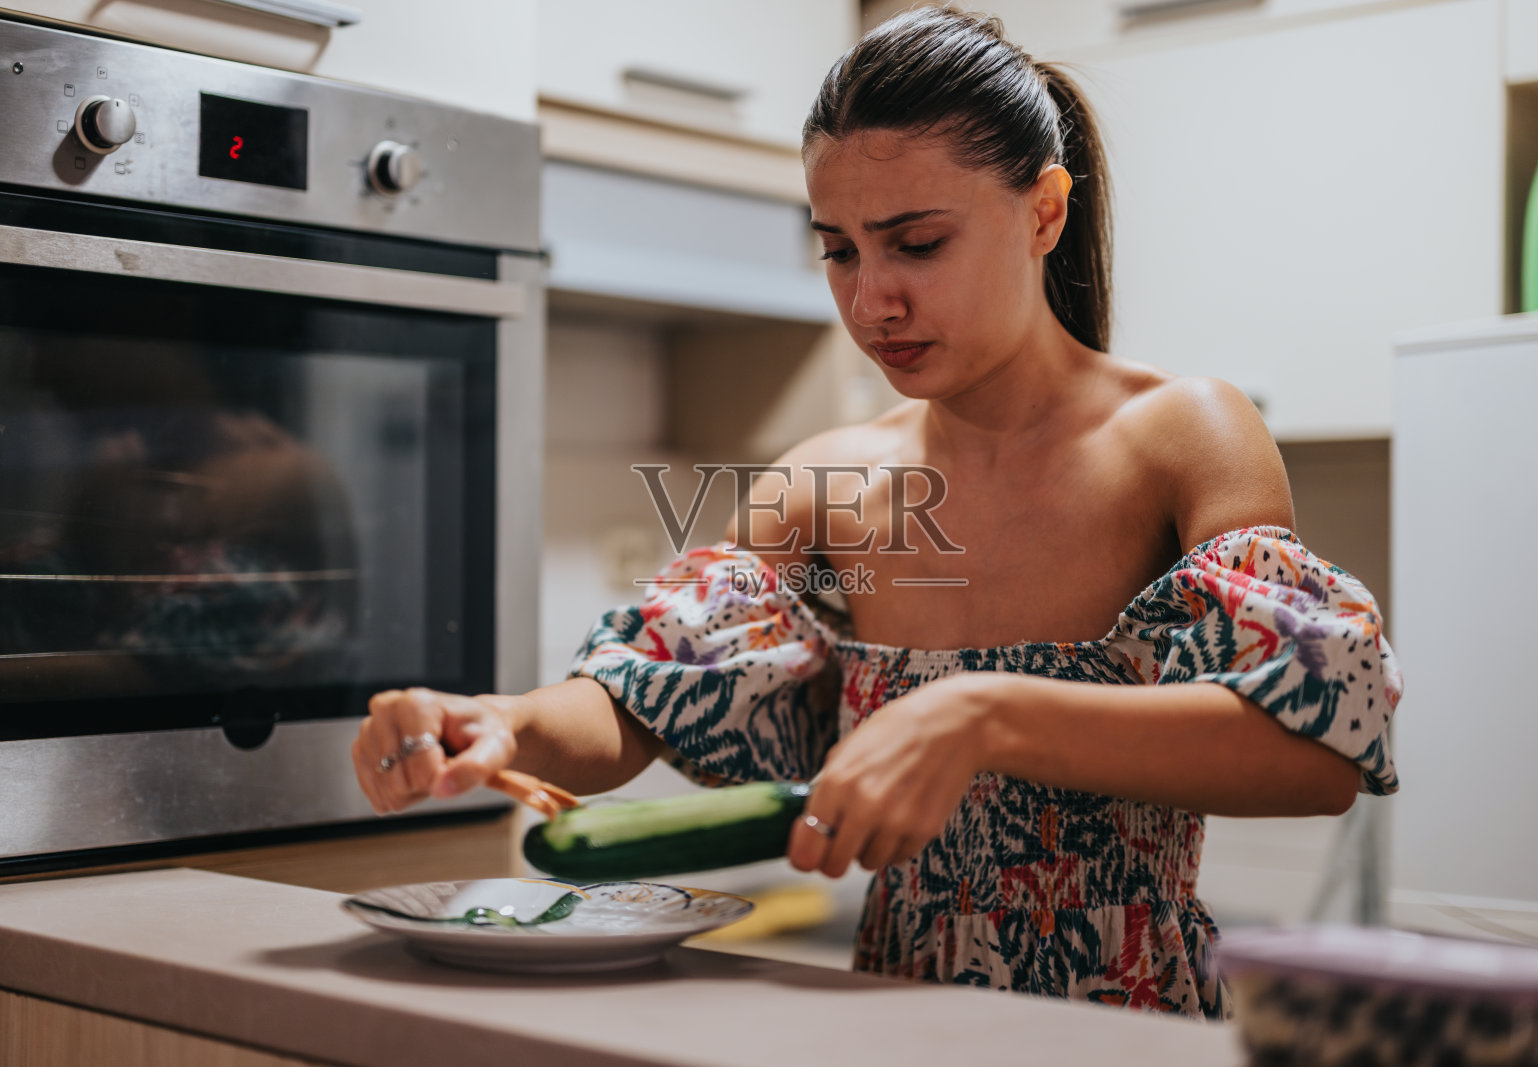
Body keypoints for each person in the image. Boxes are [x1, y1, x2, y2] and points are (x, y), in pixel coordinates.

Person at [350, 6, 1401, 1019]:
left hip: (1122, 1029)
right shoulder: (824, 480)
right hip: (884, 1018)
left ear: (1043, 210)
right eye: (841, 249)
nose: (870, 301)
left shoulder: (1185, 432)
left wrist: (979, 711)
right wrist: (504, 722)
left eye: (916, 243)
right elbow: (640, 699)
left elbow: (1310, 750)